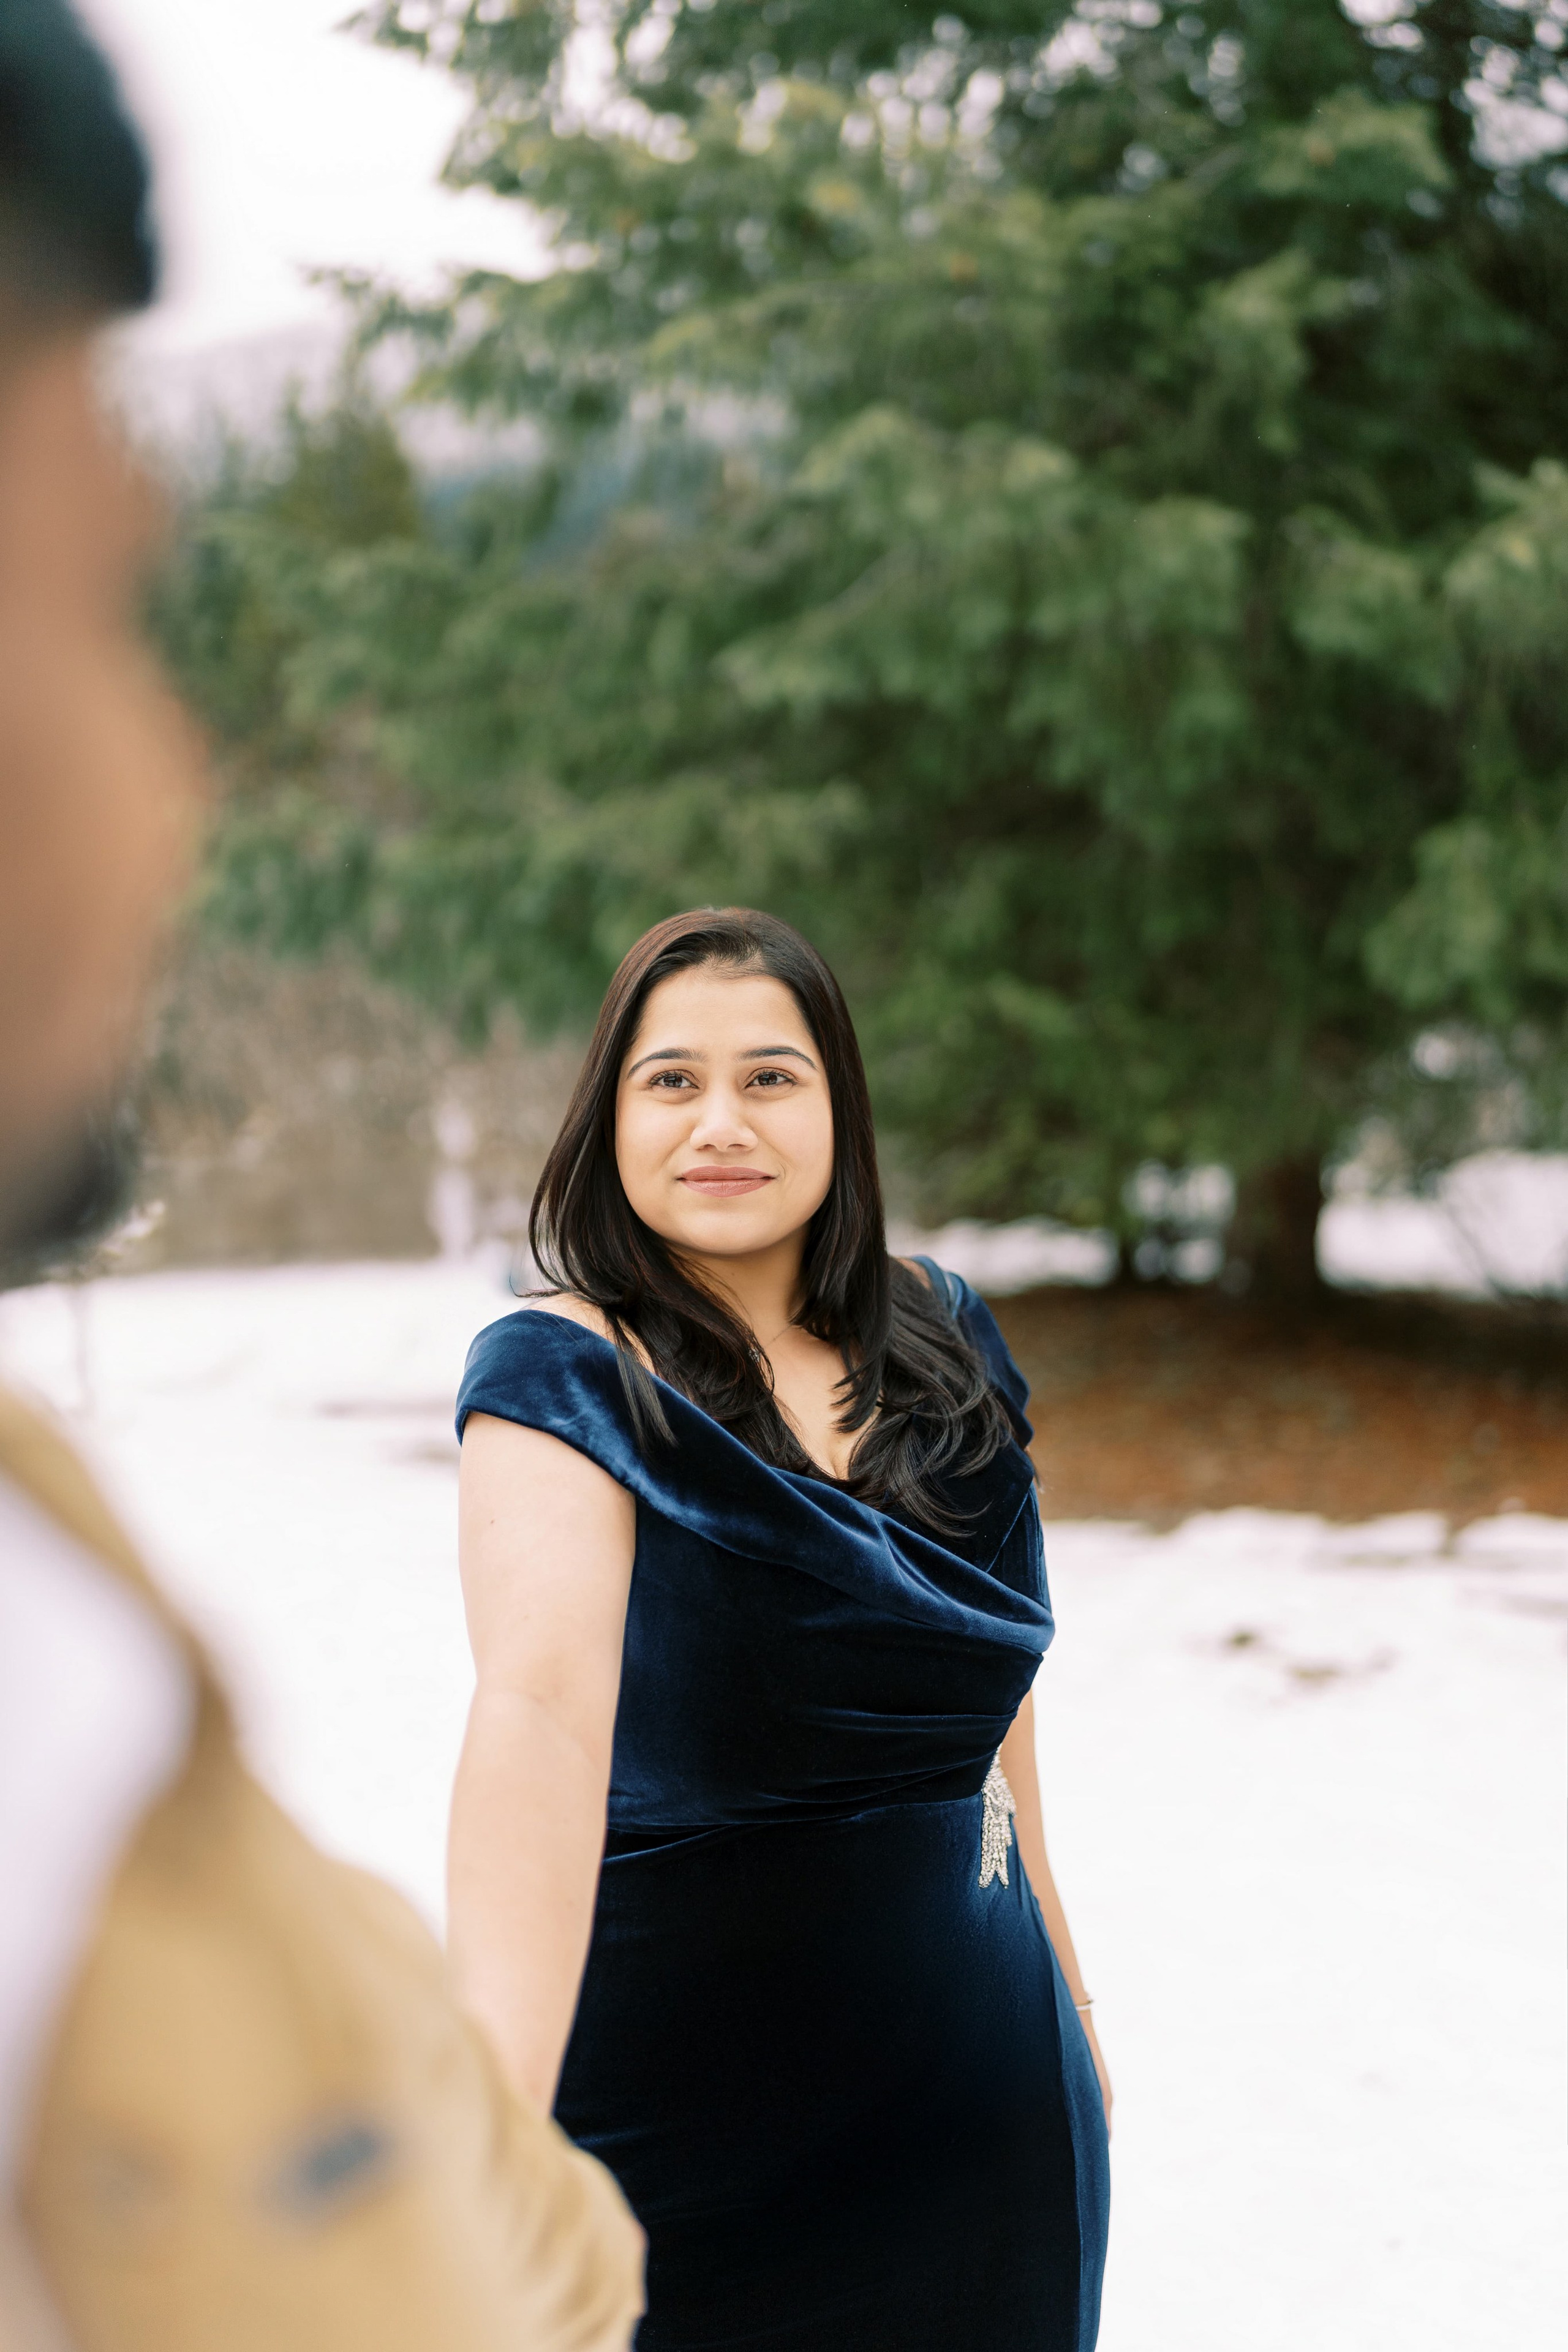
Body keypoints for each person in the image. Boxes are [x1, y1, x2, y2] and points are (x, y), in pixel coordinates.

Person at [0, 4, 642, 2345]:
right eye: (95, 602)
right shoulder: (549, 1380)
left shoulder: (56, 1596)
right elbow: (543, 1717)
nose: (174, 775)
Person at [452, 907, 1112, 2350]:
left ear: (836, 1108)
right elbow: (538, 1723)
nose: (719, 1123)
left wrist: (1060, 1970)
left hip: (983, 2107)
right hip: (684, 2127)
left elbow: (994, 1705)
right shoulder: (561, 1377)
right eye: (671, 1080)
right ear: (607, 1117)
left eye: (769, 1077)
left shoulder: (941, 1332)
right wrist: (490, 2113)